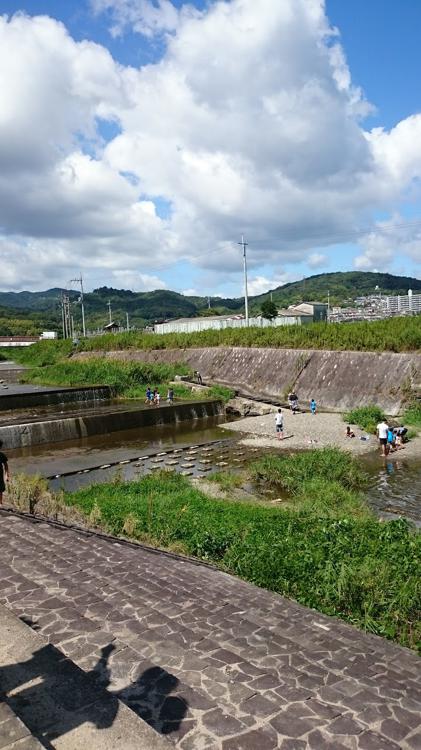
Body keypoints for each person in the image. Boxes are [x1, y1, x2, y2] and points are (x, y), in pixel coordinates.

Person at [0, 441, 9, 505]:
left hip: (0, 475)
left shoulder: (2, 455)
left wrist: (7, 475)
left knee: (0, 489)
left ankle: (0, 503)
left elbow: (6, 465)